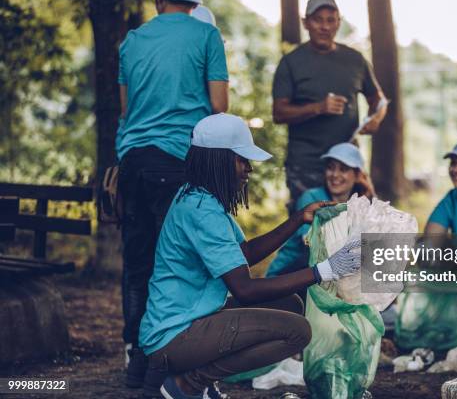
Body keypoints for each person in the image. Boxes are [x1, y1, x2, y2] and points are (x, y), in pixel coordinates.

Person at [138, 113, 361, 399]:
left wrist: (297, 220)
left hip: (189, 321)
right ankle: (187, 384)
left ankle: (193, 379)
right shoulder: (201, 210)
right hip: (173, 336)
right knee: (298, 332)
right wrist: (323, 271)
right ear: (218, 160)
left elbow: (242, 254)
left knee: (290, 305)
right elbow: (245, 288)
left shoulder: (200, 198)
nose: (249, 169)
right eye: (242, 160)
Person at [116, 0, 228, 389]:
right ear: (194, 2)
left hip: (133, 163)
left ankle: (137, 356)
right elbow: (218, 105)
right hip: (178, 161)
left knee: (138, 263)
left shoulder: (132, 40)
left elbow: (127, 110)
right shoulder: (205, 36)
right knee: (182, 263)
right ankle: (170, 363)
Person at [272, 0, 387, 211]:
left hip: (347, 162)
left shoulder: (355, 59)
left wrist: (376, 118)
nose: (325, 26)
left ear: (338, 23)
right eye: (318, 20)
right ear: (306, 23)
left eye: (330, 20)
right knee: (310, 227)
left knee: (361, 220)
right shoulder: (291, 62)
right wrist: (318, 108)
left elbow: (378, 99)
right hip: (307, 164)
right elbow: (278, 113)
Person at [266, 142, 374, 278]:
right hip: (289, 274)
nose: (335, 174)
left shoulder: (360, 205)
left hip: (327, 273)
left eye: (343, 169)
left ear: (357, 175)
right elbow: (309, 242)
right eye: (331, 168)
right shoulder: (311, 198)